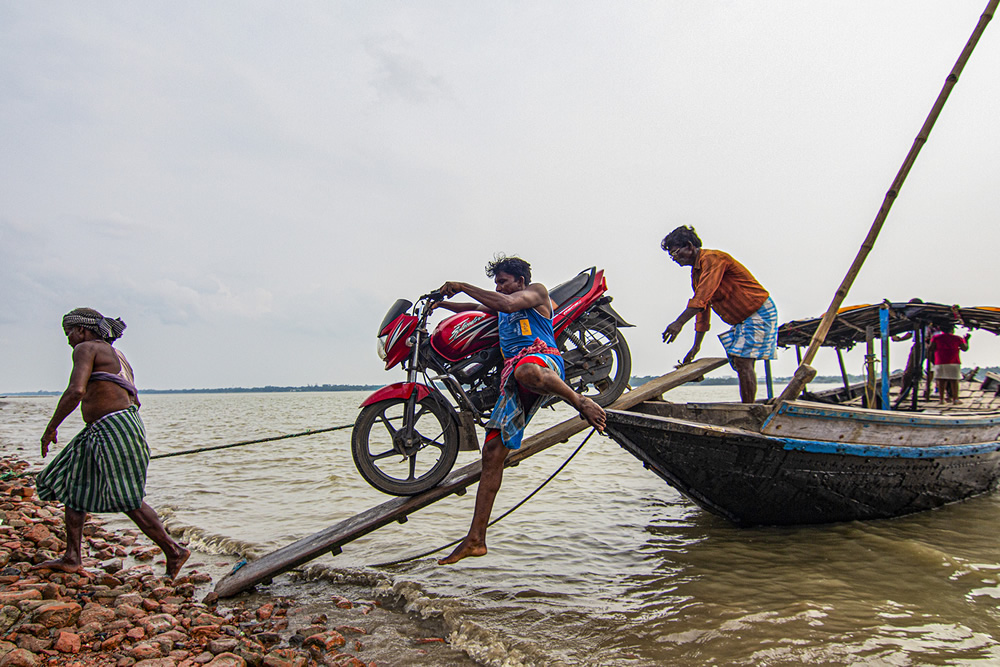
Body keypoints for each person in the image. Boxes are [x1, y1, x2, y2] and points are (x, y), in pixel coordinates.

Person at [433, 255, 606, 565]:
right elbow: (475, 308)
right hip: (514, 378)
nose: (499, 287)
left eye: (503, 281)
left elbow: (508, 305)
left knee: (526, 371)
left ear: (520, 282)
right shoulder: (500, 305)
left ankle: (581, 402)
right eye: (496, 283)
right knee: (492, 452)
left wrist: (460, 285)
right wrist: (443, 305)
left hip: (544, 363)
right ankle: (475, 539)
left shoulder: (536, 293)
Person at [34, 308, 190, 579]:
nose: (68, 338)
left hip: (113, 428)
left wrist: (51, 428)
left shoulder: (87, 348)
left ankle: (174, 550)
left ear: (82, 330)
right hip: (102, 428)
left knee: (126, 496)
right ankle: (72, 557)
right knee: (72, 482)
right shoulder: (116, 354)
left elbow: (76, 390)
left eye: (69, 332)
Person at [660, 226, 777, 403]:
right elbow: (703, 310)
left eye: (675, 253)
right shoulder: (697, 274)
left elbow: (701, 298)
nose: (674, 259)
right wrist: (695, 347)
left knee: (743, 361)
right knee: (739, 362)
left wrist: (678, 323)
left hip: (758, 311)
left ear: (690, 246)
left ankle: (748, 409)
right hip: (741, 320)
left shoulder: (713, 259)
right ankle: (748, 405)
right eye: (671, 255)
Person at [926, 322, 970, 404]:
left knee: (941, 381)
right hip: (954, 361)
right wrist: (966, 340)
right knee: (954, 381)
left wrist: (928, 341)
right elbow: (964, 348)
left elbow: (931, 348)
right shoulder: (957, 338)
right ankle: (955, 399)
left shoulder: (936, 338)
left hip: (940, 361)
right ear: (952, 330)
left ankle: (941, 399)